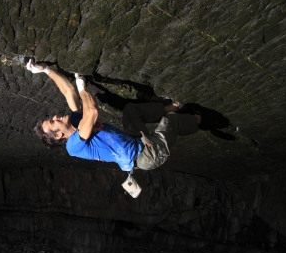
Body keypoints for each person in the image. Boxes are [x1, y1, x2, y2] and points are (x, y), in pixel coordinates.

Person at [27, 59, 200, 172]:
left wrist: (46, 70)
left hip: (135, 139)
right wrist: (83, 88)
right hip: (145, 156)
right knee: (171, 122)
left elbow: (67, 91)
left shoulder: (74, 121)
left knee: (131, 110)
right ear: (58, 135)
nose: (56, 116)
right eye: (53, 121)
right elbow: (92, 112)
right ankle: (197, 120)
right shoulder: (73, 146)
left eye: (52, 117)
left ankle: (171, 106)